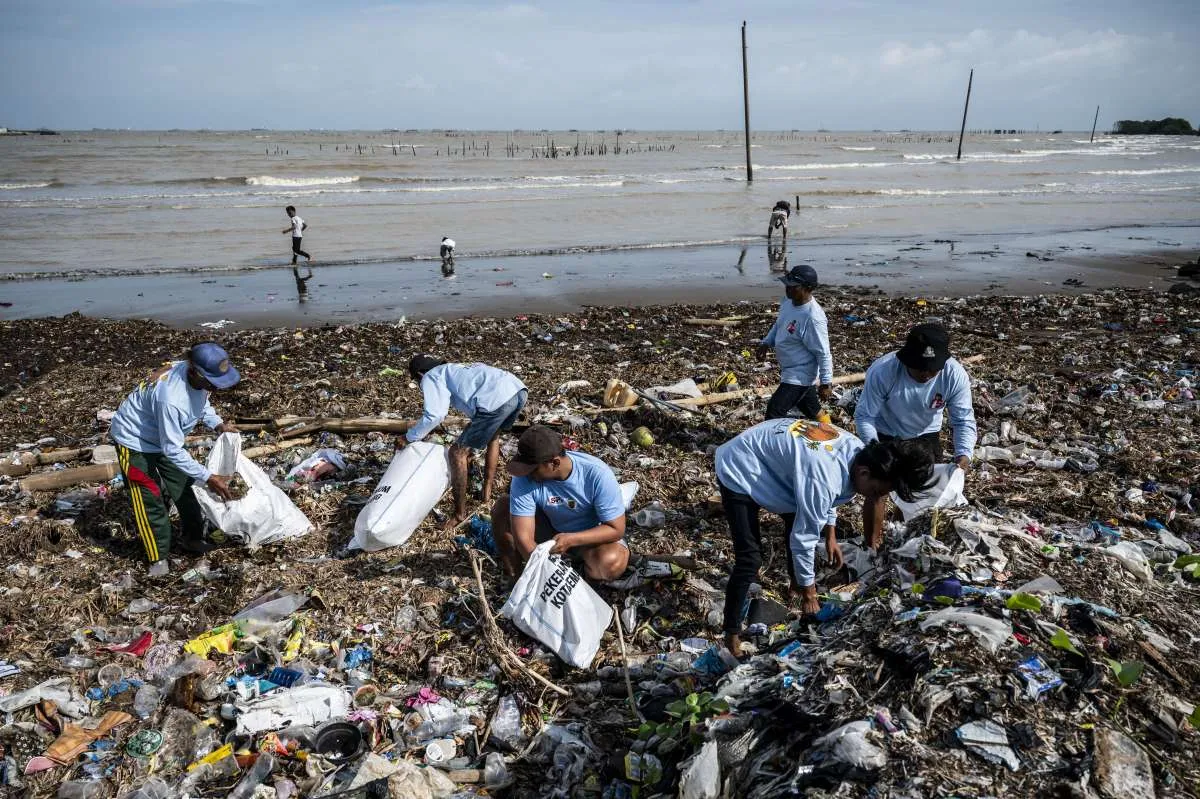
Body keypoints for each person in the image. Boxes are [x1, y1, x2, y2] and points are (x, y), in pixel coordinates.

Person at [715, 417, 934, 656]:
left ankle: (795, 586)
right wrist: (811, 596)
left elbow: (831, 494)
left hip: (775, 462)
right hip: (739, 464)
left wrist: (830, 533)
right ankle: (732, 636)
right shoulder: (824, 476)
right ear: (864, 472)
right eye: (876, 491)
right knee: (750, 560)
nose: (874, 498)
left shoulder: (857, 451)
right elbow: (805, 534)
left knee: (797, 517)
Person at [108, 343, 241, 577]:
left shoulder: (192, 372)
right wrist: (209, 477)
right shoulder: (171, 400)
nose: (214, 388)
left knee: (185, 488)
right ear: (195, 373)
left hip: (164, 436)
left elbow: (201, 401)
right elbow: (172, 449)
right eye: (211, 383)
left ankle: (193, 538)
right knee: (149, 497)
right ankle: (157, 557)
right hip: (135, 440)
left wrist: (216, 423)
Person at [854, 322, 977, 548]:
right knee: (878, 490)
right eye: (919, 367)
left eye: (932, 368)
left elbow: (962, 420)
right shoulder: (884, 370)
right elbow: (864, 416)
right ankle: (871, 544)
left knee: (920, 493)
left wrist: (964, 454)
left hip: (925, 435)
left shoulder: (954, 375)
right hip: (886, 433)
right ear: (906, 359)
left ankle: (903, 538)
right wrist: (874, 449)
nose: (925, 373)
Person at [403, 356, 527, 529]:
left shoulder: (431, 376)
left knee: (457, 453)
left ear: (419, 374)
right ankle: (486, 493)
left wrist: (409, 437)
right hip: (517, 390)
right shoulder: (456, 368)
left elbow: (435, 415)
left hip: (496, 400)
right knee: (494, 436)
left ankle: (459, 515)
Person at [492, 425, 630, 581]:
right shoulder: (524, 478)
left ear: (554, 463)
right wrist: (543, 574)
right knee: (502, 507)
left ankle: (583, 573)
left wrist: (571, 539)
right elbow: (523, 538)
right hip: (551, 533)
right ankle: (516, 579)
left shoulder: (596, 474)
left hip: (590, 537)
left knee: (611, 563)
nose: (527, 475)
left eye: (532, 469)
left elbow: (616, 528)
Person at [757, 264, 833, 421]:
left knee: (774, 412)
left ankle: (773, 444)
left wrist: (826, 383)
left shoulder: (813, 317)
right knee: (812, 409)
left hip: (801, 373)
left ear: (808, 288)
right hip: (789, 369)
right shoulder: (788, 301)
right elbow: (779, 324)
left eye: (793, 286)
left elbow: (823, 352)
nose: (788, 289)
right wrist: (766, 343)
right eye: (787, 284)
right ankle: (831, 432)